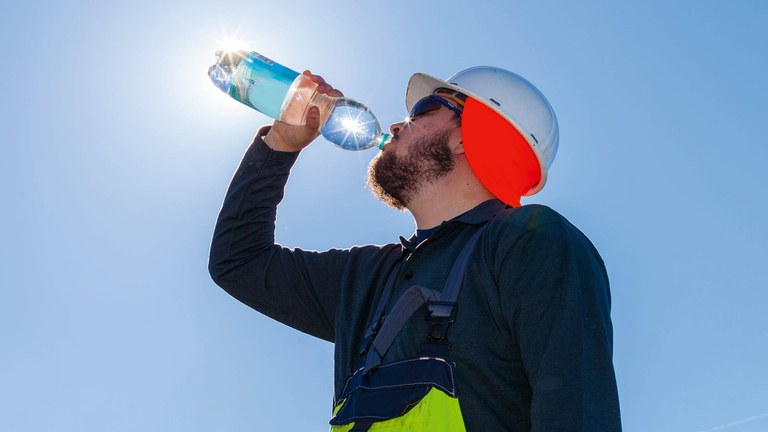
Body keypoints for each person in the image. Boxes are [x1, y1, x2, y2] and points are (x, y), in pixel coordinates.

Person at [209, 67, 622, 431]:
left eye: (422, 109)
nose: (395, 125)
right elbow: (238, 261)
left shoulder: (532, 242)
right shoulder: (369, 277)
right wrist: (280, 144)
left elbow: (579, 413)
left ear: (467, 138)